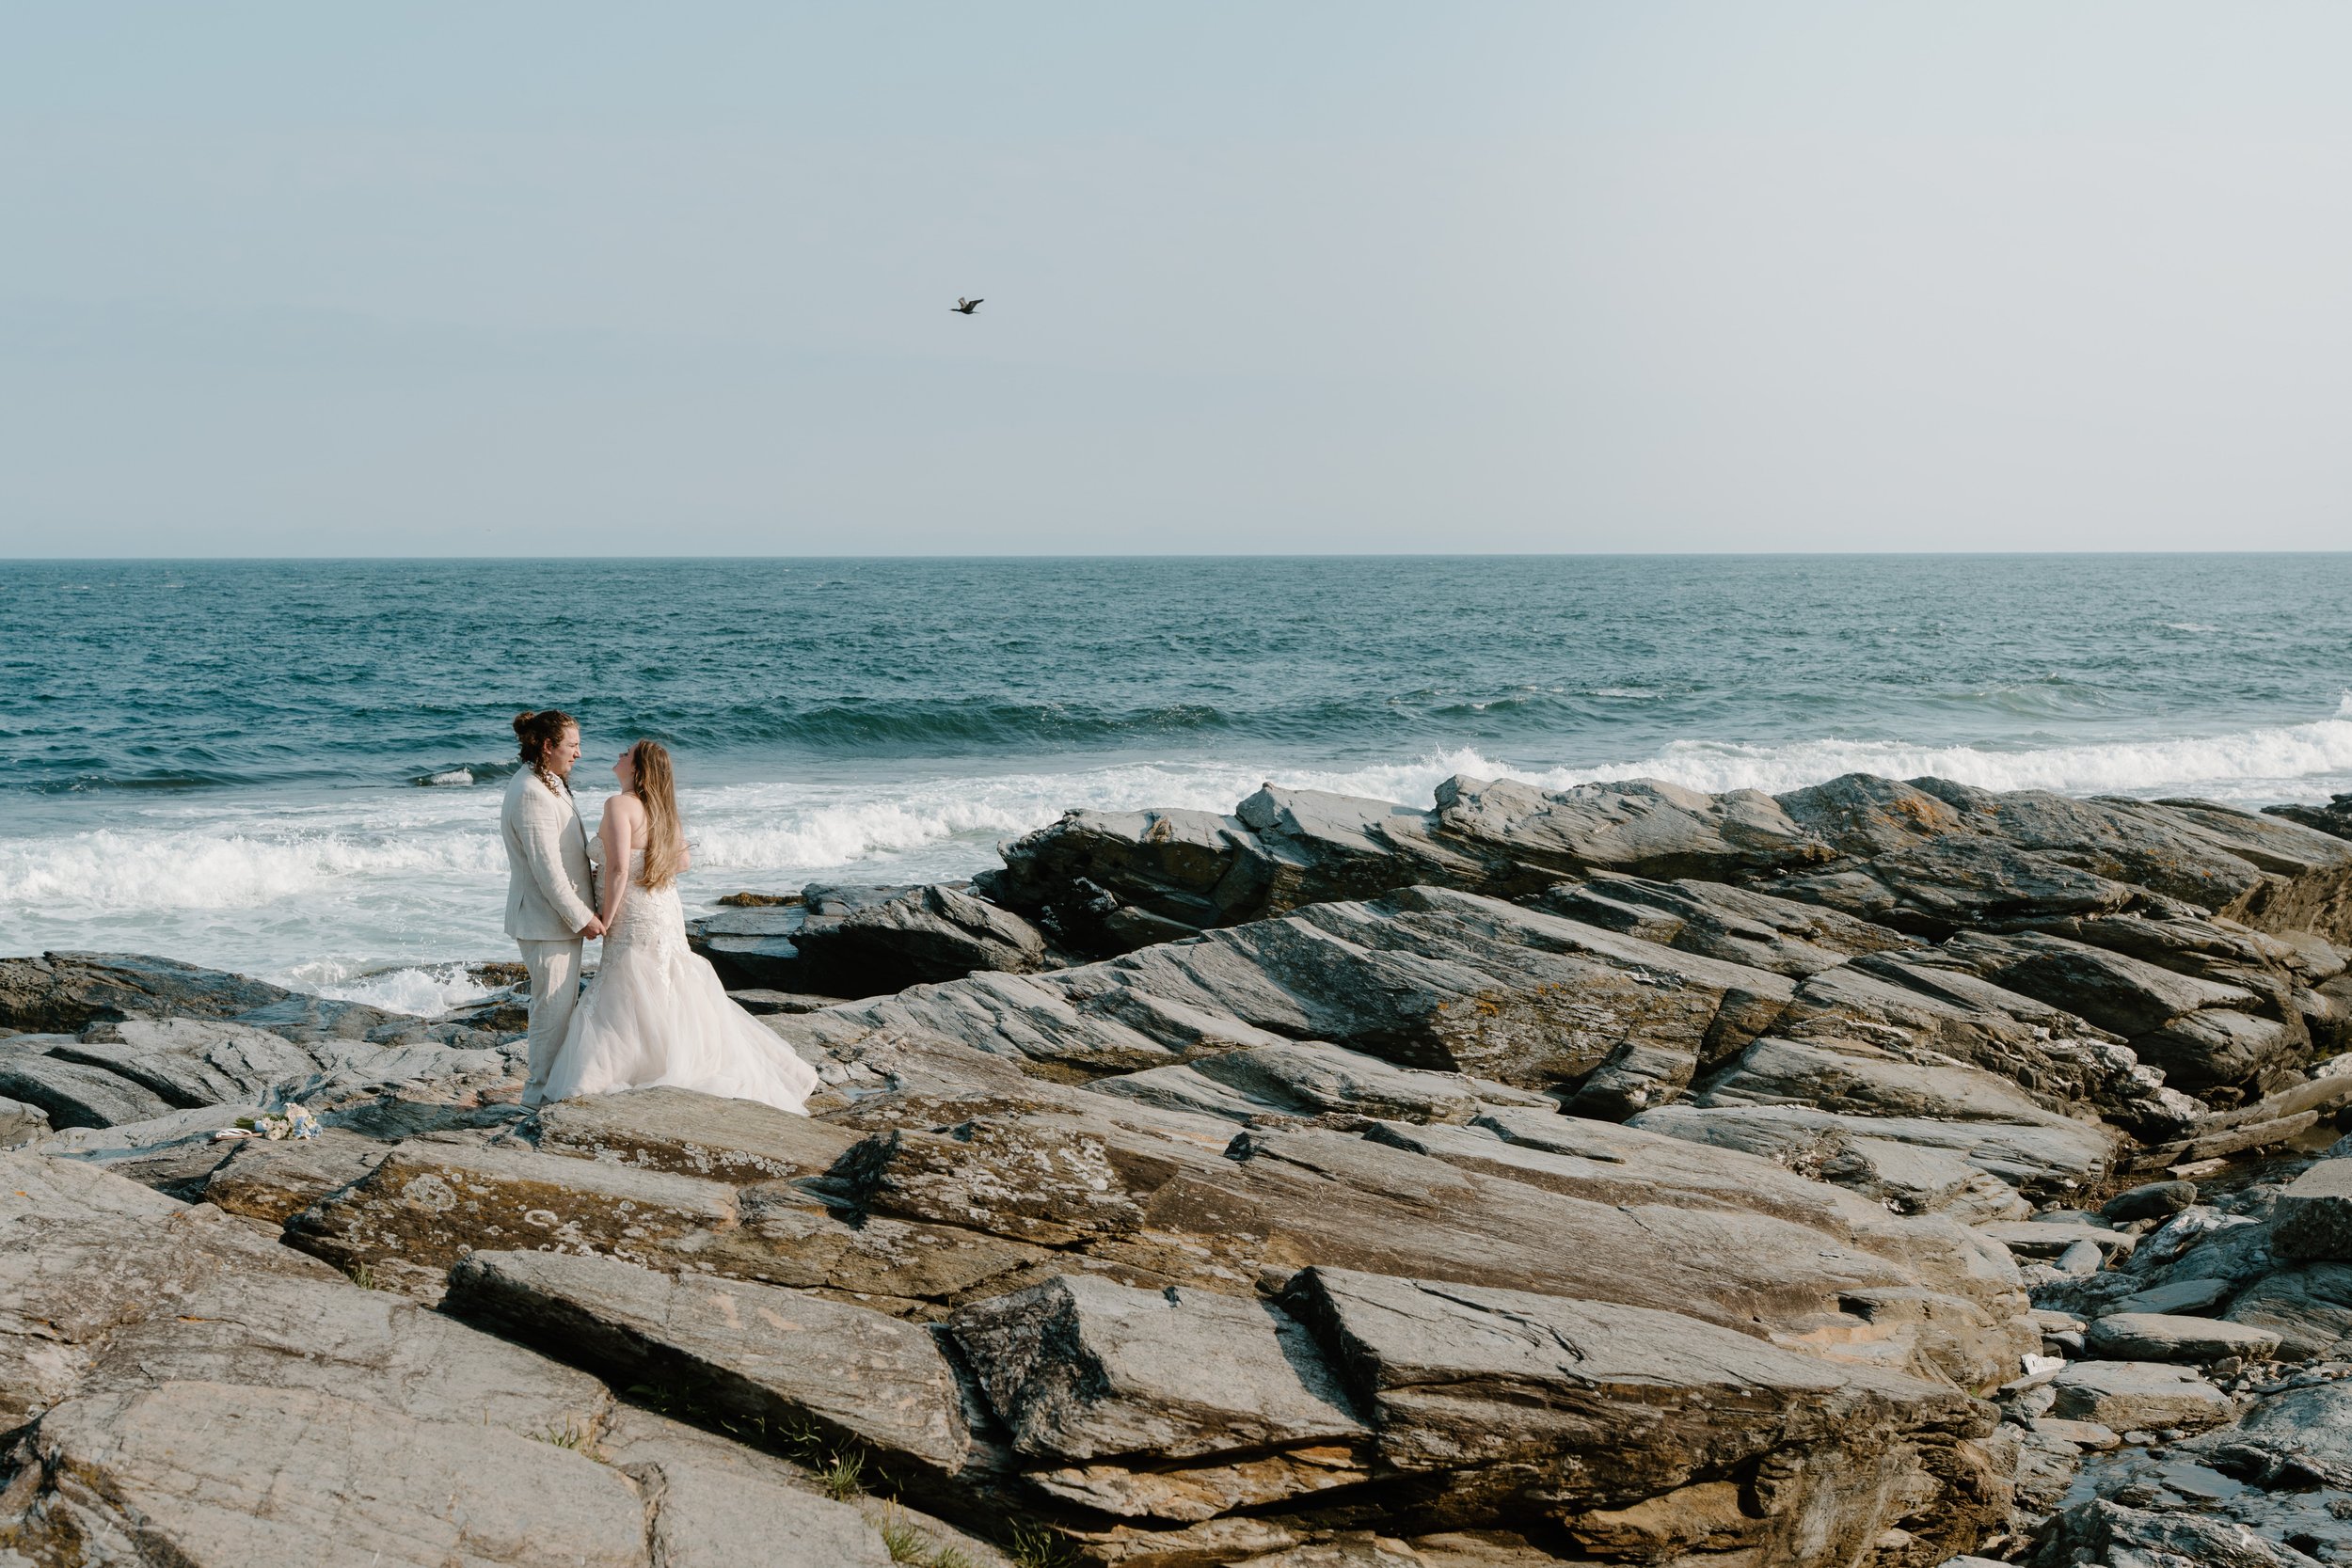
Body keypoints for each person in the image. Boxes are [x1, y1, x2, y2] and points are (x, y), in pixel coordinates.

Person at [541, 738, 818, 1115]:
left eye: (627, 754)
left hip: (634, 911)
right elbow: (682, 863)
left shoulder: (619, 804)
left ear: (636, 770)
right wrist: (642, 867)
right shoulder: (661, 810)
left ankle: (631, 1066)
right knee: (665, 977)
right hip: (663, 906)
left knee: (629, 980)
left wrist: (604, 915)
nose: (619, 756)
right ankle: (668, 1057)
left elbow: (620, 867)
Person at [501, 709, 603, 1108]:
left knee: (559, 1009)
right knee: (551, 1013)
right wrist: (583, 918)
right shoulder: (529, 792)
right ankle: (537, 1097)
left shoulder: (548, 783)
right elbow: (547, 871)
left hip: (557, 922)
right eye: (572, 745)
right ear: (547, 746)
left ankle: (551, 1089)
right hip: (546, 922)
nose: (579, 753)